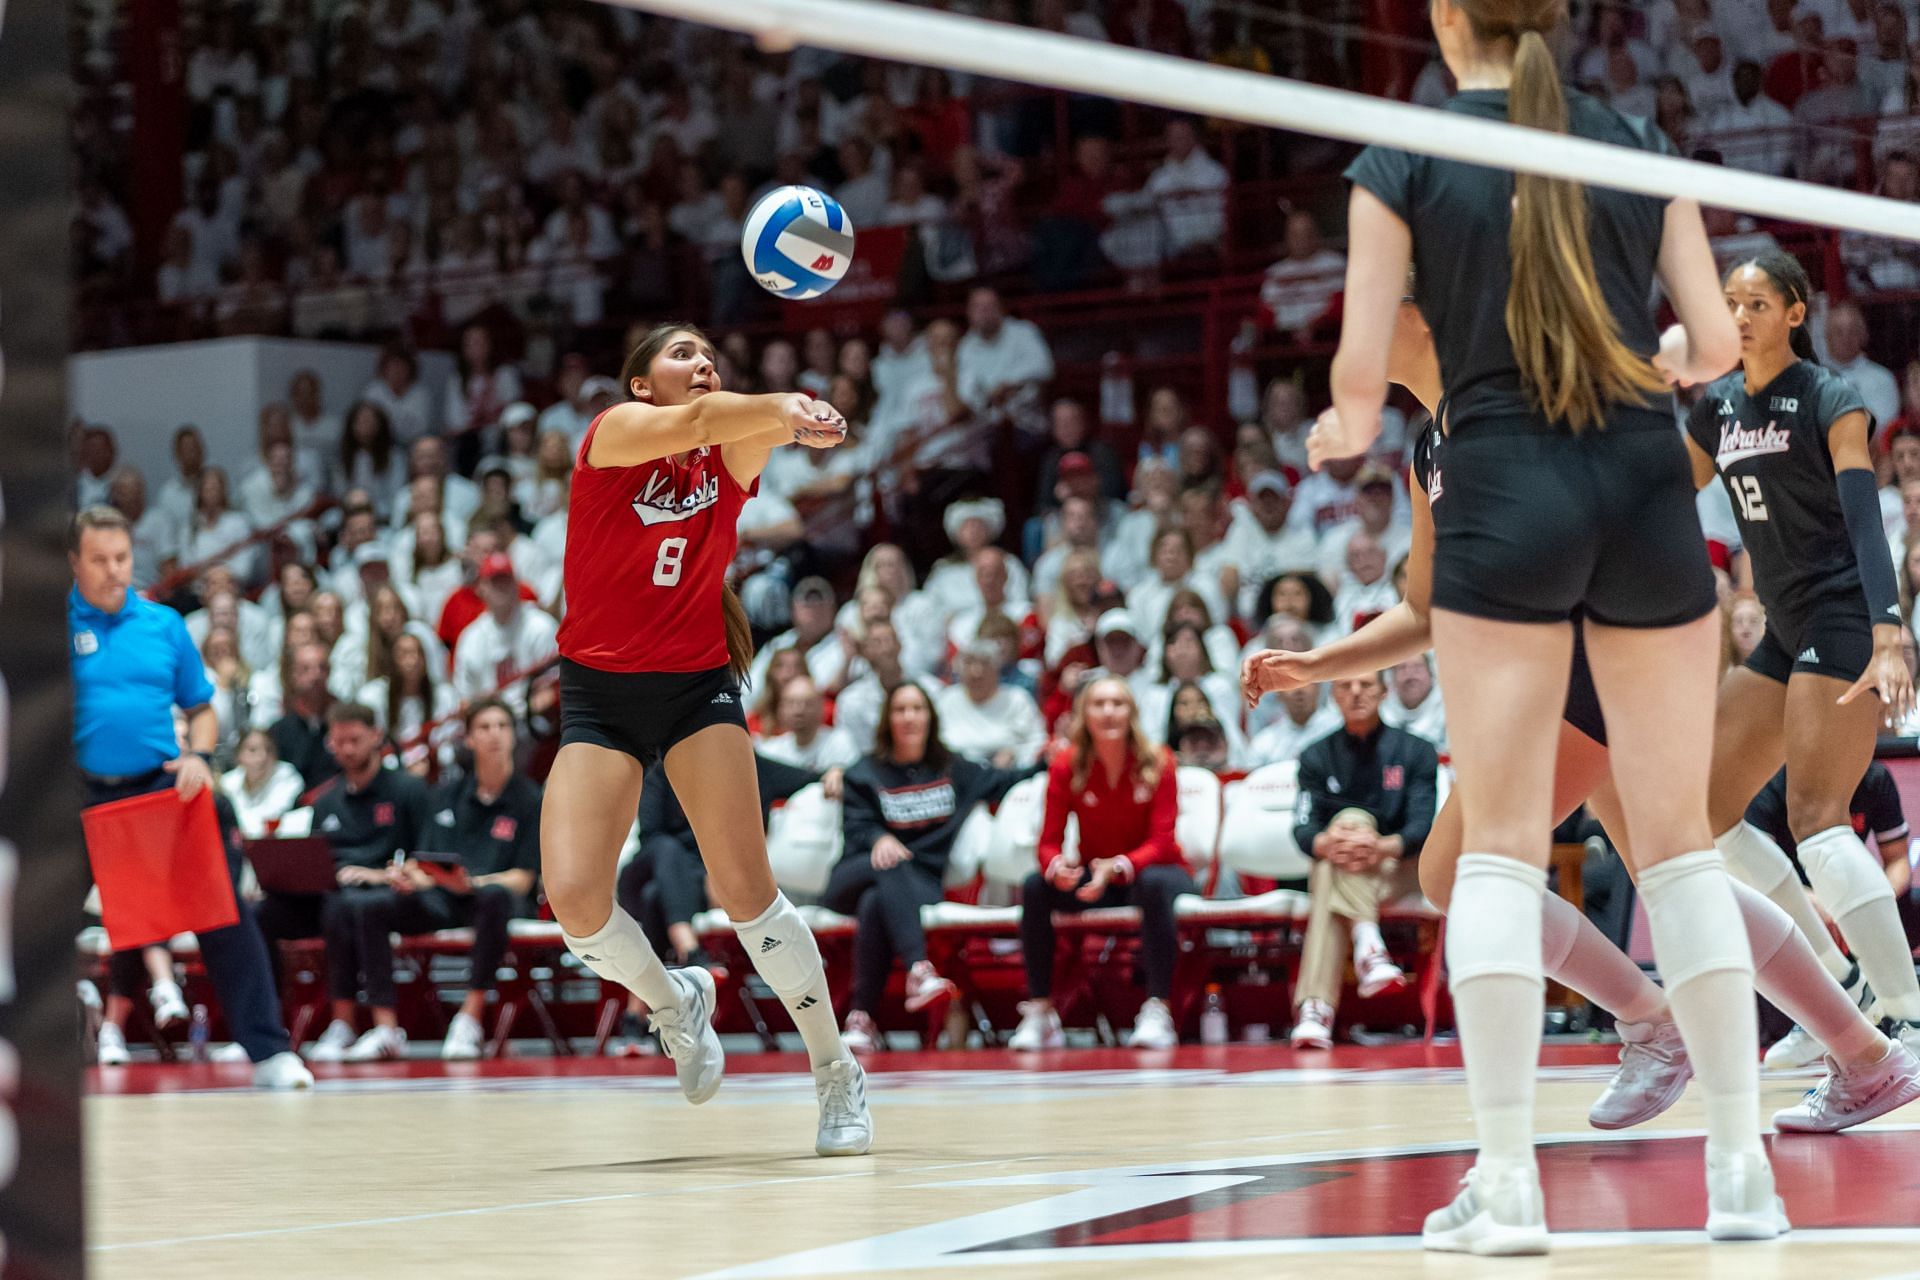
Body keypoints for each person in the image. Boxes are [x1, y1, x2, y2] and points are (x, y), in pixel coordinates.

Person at [1250, 294, 1917, 1202]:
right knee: (1676, 874)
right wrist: (1319, 664)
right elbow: (1425, 606)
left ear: (1425, 309)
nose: (1353, 334)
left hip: (1595, 648)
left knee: (1456, 871)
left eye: (1372, 311)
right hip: (1574, 657)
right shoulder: (1432, 447)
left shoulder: (1518, 400)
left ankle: (1651, 1020)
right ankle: (1865, 1056)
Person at [1325, 0, 1785, 1247]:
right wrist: (1638, 357)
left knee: (1499, 852)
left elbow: (1366, 392)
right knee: (1679, 849)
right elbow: (1706, 353)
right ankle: (1742, 1170)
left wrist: (1336, 425)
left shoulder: (1397, 155)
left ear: (1444, 15)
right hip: (1640, 483)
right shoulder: (1636, 137)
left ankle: (1510, 1184)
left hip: (1505, 492)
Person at [542, 322, 872, 1155]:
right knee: (576, 899)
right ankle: (672, 1002)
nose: (702, 365)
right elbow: (701, 421)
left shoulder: (726, 455)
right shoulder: (611, 434)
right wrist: (785, 403)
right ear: (641, 384)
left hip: (694, 686)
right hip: (599, 692)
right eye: (681, 354)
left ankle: (835, 1070)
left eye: (709, 356)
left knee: (747, 895)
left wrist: (790, 419)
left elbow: (732, 430)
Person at [1684, 252, 1920, 1051]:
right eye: (1730, 303)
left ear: (1796, 312)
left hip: (1846, 615)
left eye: (1757, 302)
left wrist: (1891, 633)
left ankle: (1911, 1015)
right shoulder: (1715, 406)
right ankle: (1837, 988)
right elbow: (1659, 493)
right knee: (1705, 811)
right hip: (1784, 625)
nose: (1740, 315)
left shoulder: (1830, 397)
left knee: (1817, 819)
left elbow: (1864, 520)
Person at [67, 507, 310, 1089]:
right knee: (24, 921)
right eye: (99, 560)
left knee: (224, 913)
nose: (112, 571)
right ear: (74, 562)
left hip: (158, 789)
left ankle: (270, 1053)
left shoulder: (164, 625)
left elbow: (201, 709)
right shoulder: (45, 628)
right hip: (76, 798)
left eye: (121, 558)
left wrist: (200, 756)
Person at [829, 682, 1039, 1053]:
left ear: (931, 718)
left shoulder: (953, 770)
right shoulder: (865, 772)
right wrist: (879, 838)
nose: (909, 717)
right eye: (900, 710)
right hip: (854, 876)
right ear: (887, 720)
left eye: (917, 709)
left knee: (877, 904)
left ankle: (861, 1019)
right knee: (886, 869)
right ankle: (918, 969)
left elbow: (1009, 779)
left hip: (915, 887)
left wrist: (1053, 756)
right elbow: (856, 827)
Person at [1010, 676, 1197, 1053]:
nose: (1109, 711)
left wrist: (1119, 865)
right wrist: (1057, 868)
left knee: (1155, 883)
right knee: (1034, 886)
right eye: (1099, 704)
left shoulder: (1159, 760)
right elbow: (1047, 843)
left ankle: (1158, 1008)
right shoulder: (1066, 765)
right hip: (1099, 877)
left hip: (1155, 873)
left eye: (1118, 703)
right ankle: (1042, 1011)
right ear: (1084, 714)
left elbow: (1162, 843)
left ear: (1132, 713)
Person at [371, 700, 542, 1061]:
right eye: (485, 727)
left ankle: (470, 1017)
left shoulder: (530, 799)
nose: (495, 734)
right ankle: (384, 1028)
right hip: (445, 898)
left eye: (502, 726)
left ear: (513, 736)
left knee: (495, 897)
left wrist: (473, 885)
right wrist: (411, 878)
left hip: (493, 902)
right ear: (469, 739)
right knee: (370, 907)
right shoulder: (447, 794)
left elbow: (523, 880)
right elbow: (425, 860)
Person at [1287, 672, 1439, 1049]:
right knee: (1332, 853)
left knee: (1336, 858)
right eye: (1345, 686)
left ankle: (1316, 1008)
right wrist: (1327, 843)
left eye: (1366, 684)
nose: (1356, 692)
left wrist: (1379, 847)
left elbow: (1422, 827)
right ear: (1332, 696)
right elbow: (1303, 828)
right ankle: (1369, 947)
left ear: (1384, 692)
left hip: (1402, 869)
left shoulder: (1416, 751)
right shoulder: (1315, 756)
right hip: (1341, 867)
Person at [275, 702, 433, 1063]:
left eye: (355, 740)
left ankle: (377, 1027)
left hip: (399, 897)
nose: (346, 749)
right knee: (262, 913)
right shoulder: (326, 800)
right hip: (335, 896)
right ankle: (270, 1027)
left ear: (376, 736)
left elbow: (427, 860)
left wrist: (377, 875)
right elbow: (316, 860)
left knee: (354, 904)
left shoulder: (409, 790)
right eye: (339, 741)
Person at [1746, 758, 1911, 1068]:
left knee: (1901, 907)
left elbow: (1898, 860)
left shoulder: (1873, 777)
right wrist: (1809, 901)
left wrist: (1867, 906)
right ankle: (1823, 1017)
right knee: (1742, 894)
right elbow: (1754, 871)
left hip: (1846, 892)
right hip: (1789, 899)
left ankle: (1907, 1020)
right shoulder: (1772, 781)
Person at [219, 728, 306, 839]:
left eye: (268, 750)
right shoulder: (227, 782)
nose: (262, 757)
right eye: (252, 750)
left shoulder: (287, 777)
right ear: (238, 756)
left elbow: (269, 821)